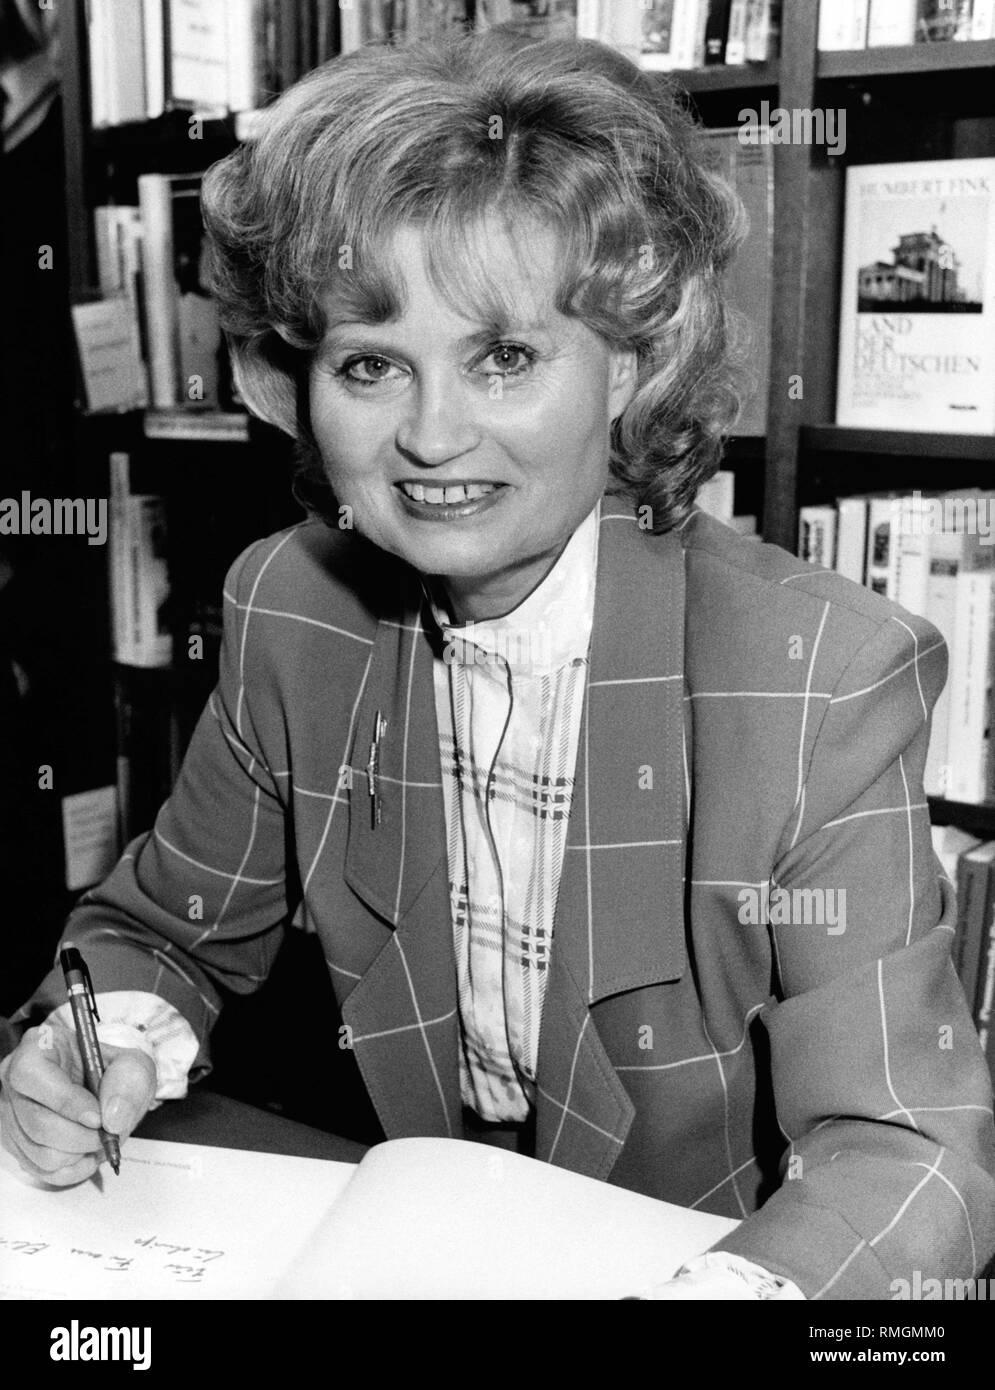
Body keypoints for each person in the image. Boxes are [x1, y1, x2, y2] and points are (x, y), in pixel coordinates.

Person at [2, 29, 994, 1300]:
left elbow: (906, 1151)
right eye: (369, 364)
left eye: (504, 357)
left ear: (631, 362)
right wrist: (102, 1048)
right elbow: (168, 935)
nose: (428, 433)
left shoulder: (818, 675)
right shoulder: (290, 603)